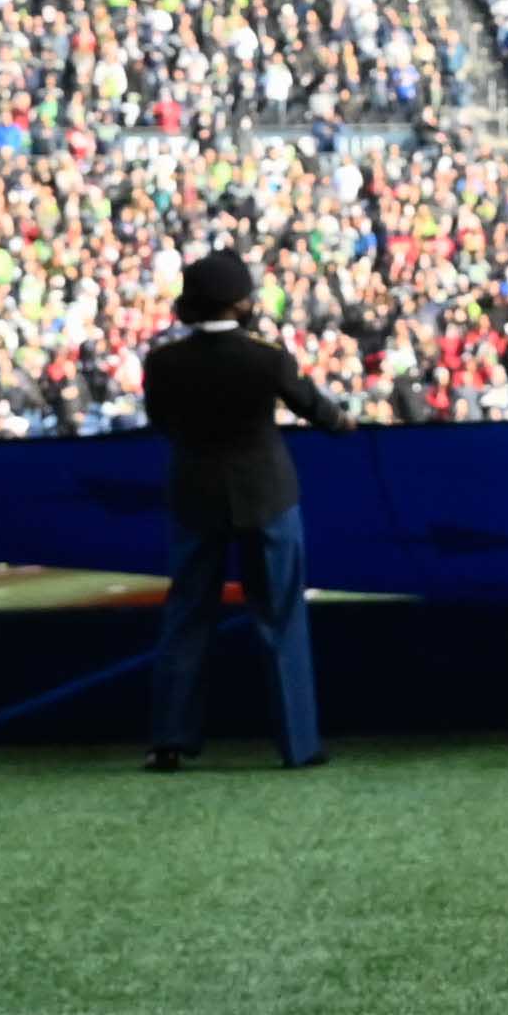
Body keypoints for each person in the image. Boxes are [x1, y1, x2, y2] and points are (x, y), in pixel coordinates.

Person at [141, 246, 350, 772]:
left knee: (187, 615)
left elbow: (161, 422)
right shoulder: (266, 357)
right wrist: (344, 423)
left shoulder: (163, 363)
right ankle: (298, 745)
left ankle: (169, 739)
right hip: (268, 496)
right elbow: (315, 408)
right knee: (280, 616)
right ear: (239, 303)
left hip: (194, 496)